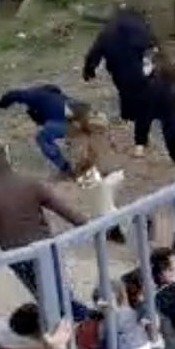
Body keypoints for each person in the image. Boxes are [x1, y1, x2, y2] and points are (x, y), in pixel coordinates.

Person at [0, 144, 93, 319]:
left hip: (16, 254)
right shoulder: (29, 183)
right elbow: (63, 209)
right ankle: (77, 318)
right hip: (45, 246)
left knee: (41, 292)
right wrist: (89, 226)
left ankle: (72, 319)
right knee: (58, 288)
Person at [83, 7, 158, 157]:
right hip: (138, 70)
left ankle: (127, 117)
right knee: (143, 105)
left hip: (117, 70)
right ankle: (140, 143)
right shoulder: (141, 26)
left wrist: (89, 69)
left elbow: (95, 51)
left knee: (125, 92)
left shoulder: (107, 31)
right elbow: (150, 46)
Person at [68, 102, 128, 244]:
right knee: (98, 204)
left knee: (103, 204)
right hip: (100, 173)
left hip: (109, 173)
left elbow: (85, 160)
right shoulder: (82, 136)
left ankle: (122, 225)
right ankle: (113, 229)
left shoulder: (95, 131)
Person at [0, 84, 77, 178]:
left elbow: (14, 94)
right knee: (72, 137)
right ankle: (75, 160)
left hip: (66, 123)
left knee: (42, 137)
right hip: (80, 118)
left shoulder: (35, 94)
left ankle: (65, 168)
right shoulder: (60, 98)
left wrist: (2, 103)